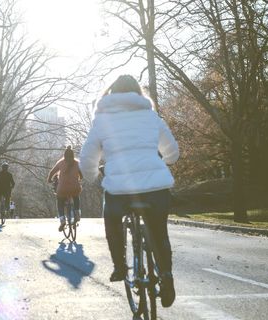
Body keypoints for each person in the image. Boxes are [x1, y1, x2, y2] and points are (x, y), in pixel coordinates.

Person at [79, 75, 179, 308]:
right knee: (159, 232)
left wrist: (93, 176)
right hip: (156, 188)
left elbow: (87, 158)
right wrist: (166, 161)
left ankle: (120, 267)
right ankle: (166, 276)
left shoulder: (102, 120)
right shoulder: (151, 116)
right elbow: (172, 151)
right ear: (138, 93)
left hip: (120, 190)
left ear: (111, 94)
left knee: (112, 219)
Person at [47, 146, 83, 232]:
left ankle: (62, 220)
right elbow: (81, 175)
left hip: (62, 188)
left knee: (60, 201)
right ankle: (77, 213)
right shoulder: (77, 163)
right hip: (74, 188)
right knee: (76, 196)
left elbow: (52, 172)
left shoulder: (60, 163)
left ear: (64, 155)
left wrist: (49, 179)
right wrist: (79, 178)